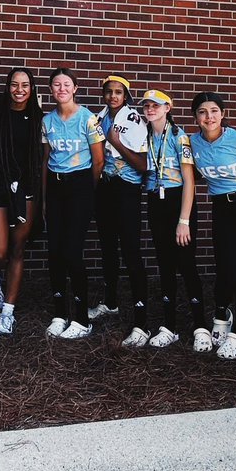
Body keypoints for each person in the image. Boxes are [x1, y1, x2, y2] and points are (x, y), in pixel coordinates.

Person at [189, 91, 236, 360]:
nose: (209, 116)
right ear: (195, 117)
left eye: (214, 111)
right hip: (222, 206)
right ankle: (222, 315)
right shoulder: (192, 143)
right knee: (225, 265)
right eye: (202, 112)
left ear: (223, 114)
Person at [139, 88, 211, 351]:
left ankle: (200, 326)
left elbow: (190, 181)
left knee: (186, 263)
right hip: (155, 200)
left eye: (156, 105)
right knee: (164, 263)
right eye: (147, 105)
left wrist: (184, 220)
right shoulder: (144, 135)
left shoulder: (179, 138)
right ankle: (169, 326)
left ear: (168, 108)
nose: (150, 109)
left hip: (179, 201)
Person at [42, 66, 106, 339]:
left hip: (80, 184)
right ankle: (59, 313)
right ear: (51, 90)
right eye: (56, 85)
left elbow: (99, 160)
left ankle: (81, 317)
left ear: (75, 88)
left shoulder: (88, 119)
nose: (61, 89)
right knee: (54, 250)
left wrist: (85, 189)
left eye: (66, 84)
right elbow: (45, 160)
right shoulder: (47, 121)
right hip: (55, 186)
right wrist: (45, 196)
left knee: (71, 250)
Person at [0, 67, 44, 336]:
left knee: (18, 249)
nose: (20, 90)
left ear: (32, 89)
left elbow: (42, 156)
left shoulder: (38, 118)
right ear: (8, 87)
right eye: (15, 85)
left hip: (26, 187)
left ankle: (8, 312)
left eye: (25, 85)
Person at [91, 74, 148, 331]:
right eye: (109, 91)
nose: (113, 96)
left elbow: (142, 164)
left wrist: (116, 142)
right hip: (105, 187)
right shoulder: (98, 118)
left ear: (126, 96)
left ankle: (140, 310)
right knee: (107, 247)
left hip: (127, 189)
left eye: (118, 92)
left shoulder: (135, 120)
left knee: (130, 249)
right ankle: (110, 302)